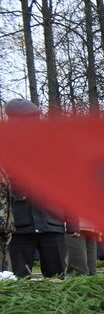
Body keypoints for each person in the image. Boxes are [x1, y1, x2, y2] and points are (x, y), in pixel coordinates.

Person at [5, 98, 66, 278]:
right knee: (20, 277)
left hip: (51, 221)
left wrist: (72, 222)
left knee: (57, 279)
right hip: (19, 222)